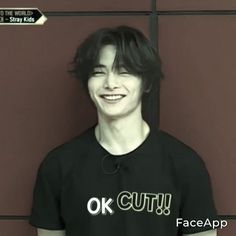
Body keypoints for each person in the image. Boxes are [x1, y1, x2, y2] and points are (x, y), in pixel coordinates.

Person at [29, 26, 218, 236]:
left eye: (124, 72)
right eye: (99, 72)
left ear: (146, 83)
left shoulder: (185, 165)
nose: (110, 83)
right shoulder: (58, 166)